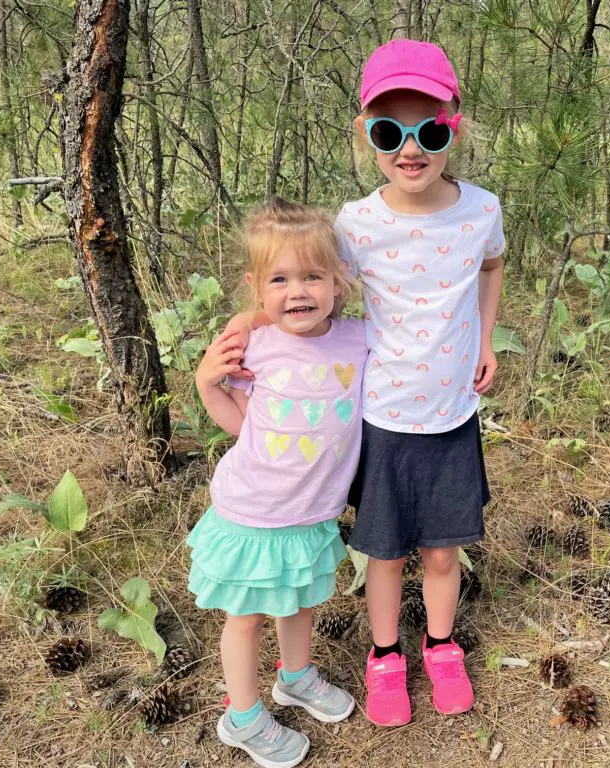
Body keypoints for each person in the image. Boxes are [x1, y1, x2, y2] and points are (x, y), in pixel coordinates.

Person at [227, 38, 505, 728]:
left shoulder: (482, 210)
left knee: (443, 550)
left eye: (430, 130)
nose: (410, 148)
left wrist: (488, 336)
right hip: (380, 417)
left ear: (454, 128)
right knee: (383, 552)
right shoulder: (356, 223)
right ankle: (386, 656)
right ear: (367, 136)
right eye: (389, 132)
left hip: (451, 415)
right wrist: (249, 322)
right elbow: (311, 288)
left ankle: (440, 647)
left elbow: (491, 268)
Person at [190, 198, 366, 767]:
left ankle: (295, 677)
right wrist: (206, 384)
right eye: (280, 279)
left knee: (300, 603)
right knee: (246, 619)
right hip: (255, 511)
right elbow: (242, 425)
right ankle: (241, 717)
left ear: (339, 282)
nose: (298, 292)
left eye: (313, 276)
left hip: (312, 511)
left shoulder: (357, 340)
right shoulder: (255, 348)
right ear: (256, 286)